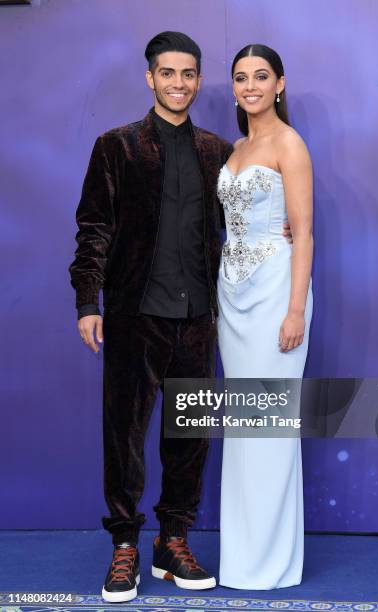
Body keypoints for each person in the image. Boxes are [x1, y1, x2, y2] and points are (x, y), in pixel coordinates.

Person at [69, 31, 234, 602]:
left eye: (189, 73)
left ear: (197, 78)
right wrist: (88, 301)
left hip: (199, 317)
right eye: (168, 73)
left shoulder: (218, 152)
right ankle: (124, 547)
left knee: (189, 437)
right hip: (136, 313)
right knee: (125, 436)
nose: (180, 84)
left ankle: (173, 540)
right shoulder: (116, 146)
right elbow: (94, 227)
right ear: (150, 78)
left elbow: (236, 226)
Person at [217, 45, 314, 589]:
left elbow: (304, 233)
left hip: (277, 294)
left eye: (260, 76)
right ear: (232, 87)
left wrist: (295, 308)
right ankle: (243, 558)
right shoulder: (235, 147)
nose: (249, 85)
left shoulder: (289, 144)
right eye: (240, 78)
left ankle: (271, 564)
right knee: (244, 428)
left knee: (271, 426)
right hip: (232, 297)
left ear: (279, 83)